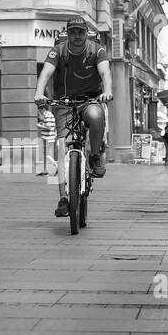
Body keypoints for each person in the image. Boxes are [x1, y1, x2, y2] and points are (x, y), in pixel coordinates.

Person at [33, 15, 112, 217]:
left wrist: (107, 91)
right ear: (67, 34)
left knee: (96, 116)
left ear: (87, 33)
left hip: (90, 100)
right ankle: (63, 199)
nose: (77, 36)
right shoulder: (58, 51)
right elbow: (45, 73)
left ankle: (94, 156)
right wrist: (39, 93)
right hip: (64, 102)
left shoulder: (97, 50)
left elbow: (105, 73)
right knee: (62, 145)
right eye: (73, 32)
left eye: (81, 32)